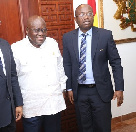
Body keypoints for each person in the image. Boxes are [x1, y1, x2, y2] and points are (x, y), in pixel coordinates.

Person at [62, 4, 124, 132]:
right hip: (79, 92)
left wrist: (119, 88)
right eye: (82, 14)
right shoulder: (68, 38)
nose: (86, 17)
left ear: (93, 16)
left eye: (89, 13)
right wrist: (69, 88)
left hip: (100, 91)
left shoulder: (105, 35)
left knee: (103, 127)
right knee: (84, 127)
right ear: (75, 19)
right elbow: (67, 64)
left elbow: (115, 62)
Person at [11, 15, 67, 132]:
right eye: (36, 30)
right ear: (27, 31)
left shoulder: (52, 43)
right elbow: (13, 78)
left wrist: (63, 88)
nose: (41, 33)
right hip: (32, 106)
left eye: (43, 30)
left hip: (53, 104)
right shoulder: (17, 48)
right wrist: (18, 103)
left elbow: (59, 68)